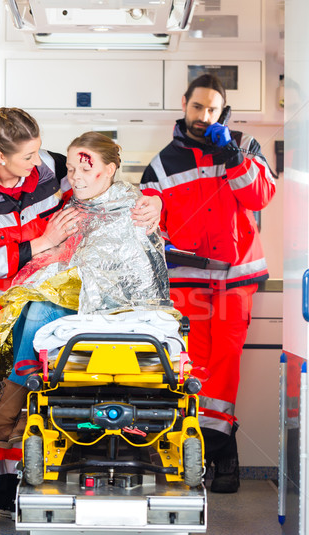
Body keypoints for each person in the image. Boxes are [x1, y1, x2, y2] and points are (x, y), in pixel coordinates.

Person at [0, 112, 162, 528]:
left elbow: (104, 186)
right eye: (28, 155)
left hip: (37, 295)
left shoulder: (50, 169)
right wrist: (40, 243)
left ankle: (18, 490)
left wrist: (155, 202)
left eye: (41, 150)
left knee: (24, 395)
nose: (40, 162)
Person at [140, 73, 276, 493]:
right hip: (187, 281)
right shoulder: (161, 164)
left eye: (212, 109)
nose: (203, 116)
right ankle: (211, 455)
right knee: (194, 366)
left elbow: (259, 197)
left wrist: (231, 154)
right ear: (184, 103)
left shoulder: (245, 147)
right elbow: (148, 230)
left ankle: (219, 452)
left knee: (226, 361)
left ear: (223, 111)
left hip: (236, 277)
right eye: (197, 107)